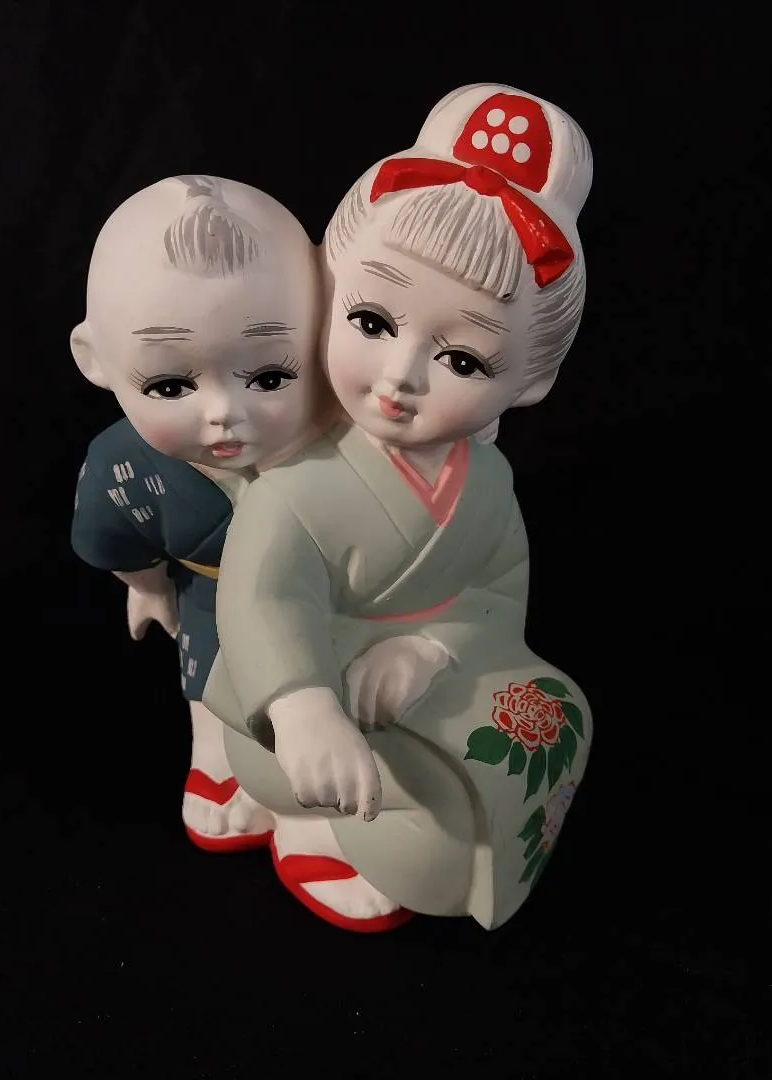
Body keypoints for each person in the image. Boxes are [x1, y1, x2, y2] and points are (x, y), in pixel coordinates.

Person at [205, 83, 594, 933]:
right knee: (398, 812)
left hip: (423, 690)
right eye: (373, 320)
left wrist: (431, 647)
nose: (399, 376)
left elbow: (498, 591)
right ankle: (304, 820)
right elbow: (262, 598)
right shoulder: (295, 481)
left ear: (532, 380)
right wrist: (302, 704)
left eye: (463, 360)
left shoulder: (488, 485)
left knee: (478, 803)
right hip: (302, 702)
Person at [70, 174, 327, 851]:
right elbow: (114, 538)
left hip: (323, 601)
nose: (223, 413)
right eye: (169, 385)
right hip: (213, 599)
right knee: (215, 696)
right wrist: (148, 587)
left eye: (269, 376)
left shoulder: (343, 436)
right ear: (95, 360)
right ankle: (217, 762)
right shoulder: (122, 464)